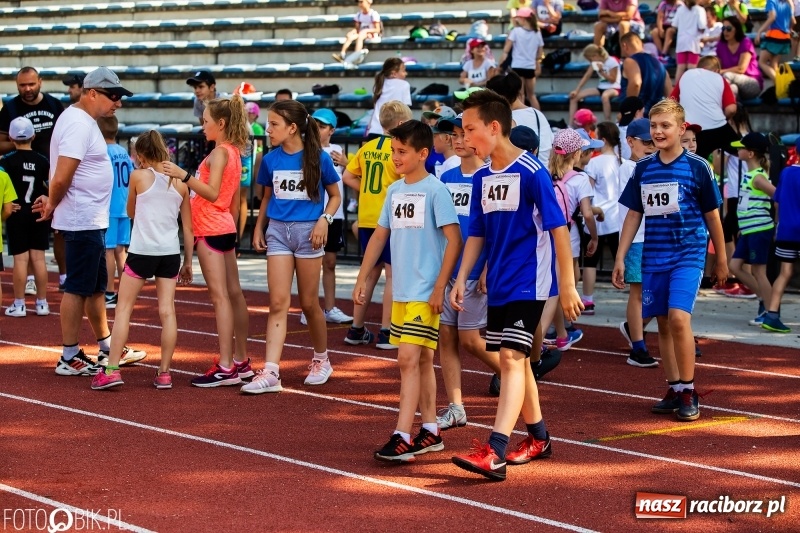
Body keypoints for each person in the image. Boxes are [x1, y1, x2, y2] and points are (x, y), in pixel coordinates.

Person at [450, 90, 581, 481]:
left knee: (510, 358)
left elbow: (559, 229)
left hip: (530, 280)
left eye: (470, 129)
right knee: (519, 362)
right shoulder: (482, 177)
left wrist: (568, 285)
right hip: (500, 283)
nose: (464, 137)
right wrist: (463, 278)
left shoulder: (532, 171)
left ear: (494, 127)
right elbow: (477, 233)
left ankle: (496, 450)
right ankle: (539, 438)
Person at [352, 120, 460, 462]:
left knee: (407, 359)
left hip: (425, 293)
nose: (395, 157)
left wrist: (440, 286)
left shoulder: (436, 190)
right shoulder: (394, 190)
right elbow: (379, 236)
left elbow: (455, 240)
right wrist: (362, 278)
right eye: (393, 151)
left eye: (402, 151)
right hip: (401, 290)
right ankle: (431, 430)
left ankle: (401, 436)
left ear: (423, 153)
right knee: (423, 360)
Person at [614, 98, 727, 422]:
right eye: (654, 126)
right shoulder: (643, 168)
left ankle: (689, 390)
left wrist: (721, 258)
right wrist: (620, 257)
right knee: (663, 323)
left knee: (678, 319)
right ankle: (675, 387)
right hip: (653, 256)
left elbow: (713, 216)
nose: (659, 131)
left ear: (681, 128)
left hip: (687, 254)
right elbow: (633, 214)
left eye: (665, 125)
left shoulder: (698, 167)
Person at [32, 67, 146, 376]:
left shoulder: (83, 121)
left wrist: (53, 199)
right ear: (92, 93)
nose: (118, 102)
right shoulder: (78, 124)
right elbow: (63, 175)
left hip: (91, 218)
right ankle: (69, 356)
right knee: (77, 289)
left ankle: (108, 346)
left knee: (96, 289)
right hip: (81, 219)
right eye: (114, 96)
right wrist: (52, 202)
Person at [242, 100, 342, 394]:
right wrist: (258, 227)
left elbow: (335, 196)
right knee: (277, 303)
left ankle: (322, 360)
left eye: (274, 124)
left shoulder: (319, 158)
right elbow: (267, 198)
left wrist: (325, 220)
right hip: (278, 232)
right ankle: (272, 371)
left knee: (309, 304)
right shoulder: (270, 160)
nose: (268, 129)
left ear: (292, 128)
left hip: (309, 233)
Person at [90, 131, 194, 390]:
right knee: (167, 311)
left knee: (124, 309)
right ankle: (164, 373)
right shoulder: (181, 182)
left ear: (143, 155)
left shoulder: (138, 176)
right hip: (169, 252)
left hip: (142, 250)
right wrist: (188, 262)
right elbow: (188, 229)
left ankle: (112, 369)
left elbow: (130, 211)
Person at [161, 95, 252, 387]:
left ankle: (226, 366)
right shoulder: (233, 152)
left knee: (221, 297)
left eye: (206, 121)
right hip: (222, 226)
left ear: (220, 123)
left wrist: (183, 175)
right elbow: (231, 197)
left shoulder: (221, 153)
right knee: (234, 294)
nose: (202, 126)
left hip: (211, 228)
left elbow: (212, 193)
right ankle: (240, 361)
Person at [435, 113, 502, 430]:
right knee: (446, 337)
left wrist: (488, 267)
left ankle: (518, 375)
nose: (459, 140)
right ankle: (456, 407)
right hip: (448, 271)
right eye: (455, 135)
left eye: (465, 134)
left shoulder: (490, 177)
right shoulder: (446, 179)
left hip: (475, 272)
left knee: (471, 340)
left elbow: (496, 229)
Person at [343, 101, 412, 349]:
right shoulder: (398, 150)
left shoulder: (367, 147)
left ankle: (356, 328)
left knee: (369, 273)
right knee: (393, 275)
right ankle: (387, 332)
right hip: (389, 218)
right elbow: (406, 181)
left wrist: (366, 190)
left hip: (367, 217)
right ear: (401, 124)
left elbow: (347, 176)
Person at [298, 109, 353, 326]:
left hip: (334, 215)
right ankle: (308, 307)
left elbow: (353, 177)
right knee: (310, 264)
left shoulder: (338, 151)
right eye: (315, 125)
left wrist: (347, 163)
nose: (317, 130)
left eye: (322, 126)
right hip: (312, 214)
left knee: (330, 262)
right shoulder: (305, 151)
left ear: (332, 130)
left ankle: (330, 308)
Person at [616, 118, 658, 367]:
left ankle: (635, 328)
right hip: (637, 238)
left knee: (658, 291)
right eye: (646, 142)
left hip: (653, 237)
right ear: (630, 141)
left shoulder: (649, 165)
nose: (651, 147)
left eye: (653, 142)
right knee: (639, 293)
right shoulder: (628, 168)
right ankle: (638, 346)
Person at [1, 117, 50, 318]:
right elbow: (50, 185)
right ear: (33, 136)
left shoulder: (5, 161)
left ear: (11, 138)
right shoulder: (42, 160)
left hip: (16, 212)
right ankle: (42, 303)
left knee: (20, 260)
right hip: (38, 211)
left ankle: (20, 304)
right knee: (39, 258)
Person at [727, 133, 776, 323]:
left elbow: (778, 196)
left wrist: (778, 222)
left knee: (759, 272)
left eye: (741, 148)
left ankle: (770, 312)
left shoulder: (758, 178)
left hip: (759, 230)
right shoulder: (750, 175)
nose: (738, 150)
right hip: (748, 230)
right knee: (734, 266)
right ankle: (764, 299)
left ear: (750, 154)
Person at [582, 121, 622, 315]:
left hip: (597, 217)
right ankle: (637, 299)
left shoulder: (594, 163)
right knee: (621, 259)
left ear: (603, 140)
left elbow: (587, 191)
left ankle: (588, 301)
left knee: (590, 261)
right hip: (617, 219)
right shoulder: (621, 161)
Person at [96, 116, 133, 310]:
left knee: (108, 251)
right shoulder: (123, 152)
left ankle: (109, 292)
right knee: (121, 251)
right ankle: (125, 293)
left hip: (109, 207)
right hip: (124, 207)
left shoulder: (103, 152)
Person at [670, 55, 738, 160]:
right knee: (740, 153)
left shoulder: (686, 75)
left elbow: (670, 103)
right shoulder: (719, 78)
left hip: (691, 129)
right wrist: (725, 118)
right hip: (718, 128)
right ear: (717, 70)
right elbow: (731, 109)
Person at [763, 143, 800, 333]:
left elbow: (777, 203)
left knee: (784, 273)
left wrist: (778, 226)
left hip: (786, 230)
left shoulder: (786, 173)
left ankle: (772, 315)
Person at [486, 71, 554, 167]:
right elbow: (550, 149)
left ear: (499, 98)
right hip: (543, 170)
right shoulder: (538, 114)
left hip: (522, 173)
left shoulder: (507, 120)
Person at [0, 67, 65, 157]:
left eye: (31, 84)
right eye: (22, 85)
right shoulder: (10, 108)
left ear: (40, 82)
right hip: (21, 164)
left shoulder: (54, 104)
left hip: (51, 163)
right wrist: (21, 143)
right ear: (17, 85)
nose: (27, 89)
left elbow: (67, 137)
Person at [499, 7, 545, 110]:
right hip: (530, 67)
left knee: (520, 96)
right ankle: (538, 117)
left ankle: (522, 118)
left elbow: (506, 50)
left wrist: (500, 64)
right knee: (532, 96)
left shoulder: (516, 31)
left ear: (523, 19)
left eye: (518, 17)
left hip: (517, 66)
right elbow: (539, 54)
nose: (516, 19)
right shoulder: (537, 32)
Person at [620, 32, 672, 115]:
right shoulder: (660, 64)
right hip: (656, 116)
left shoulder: (630, 61)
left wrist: (628, 111)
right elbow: (670, 93)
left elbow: (636, 83)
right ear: (642, 45)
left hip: (637, 116)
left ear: (624, 46)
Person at [569, 44, 622, 123]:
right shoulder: (595, 63)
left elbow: (613, 80)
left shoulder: (611, 61)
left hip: (614, 87)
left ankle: (608, 121)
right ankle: (571, 124)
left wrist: (601, 71)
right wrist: (577, 90)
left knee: (605, 96)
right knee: (574, 97)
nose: (591, 62)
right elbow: (587, 76)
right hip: (601, 87)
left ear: (595, 56)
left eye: (590, 60)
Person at [717, 17, 763, 100]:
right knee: (733, 88)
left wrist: (721, 71)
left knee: (727, 75)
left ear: (737, 29)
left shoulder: (745, 42)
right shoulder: (721, 45)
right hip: (732, 83)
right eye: (723, 28)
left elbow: (741, 69)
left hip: (752, 83)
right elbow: (718, 67)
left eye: (728, 28)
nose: (725, 31)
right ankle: (733, 107)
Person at [368, 58, 411, 136]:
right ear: (394, 73)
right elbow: (406, 112)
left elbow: (375, 109)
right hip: (393, 132)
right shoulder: (404, 85)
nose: (406, 73)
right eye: (403, 70)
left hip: (374, 130)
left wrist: (369, 128)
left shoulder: (378, 84)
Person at [755, 0, 795, 82]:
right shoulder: (787, 4)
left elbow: (772, 17)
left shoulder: (771, 1)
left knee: (762, 62)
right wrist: (790, 29)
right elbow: (793, 21)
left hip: (774, 37)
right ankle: (780, 86)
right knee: (774, 64)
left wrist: (759, 31)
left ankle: (781, 84)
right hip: (785, 38)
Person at [672, 0, 708, 84]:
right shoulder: (700, 10)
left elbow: (674, 25)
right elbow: (702, 26)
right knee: (692, 67)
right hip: (693, 43)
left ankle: (677, 89)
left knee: (680, 67)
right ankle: (691, 87)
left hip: (681, 42)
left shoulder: (680, 9)